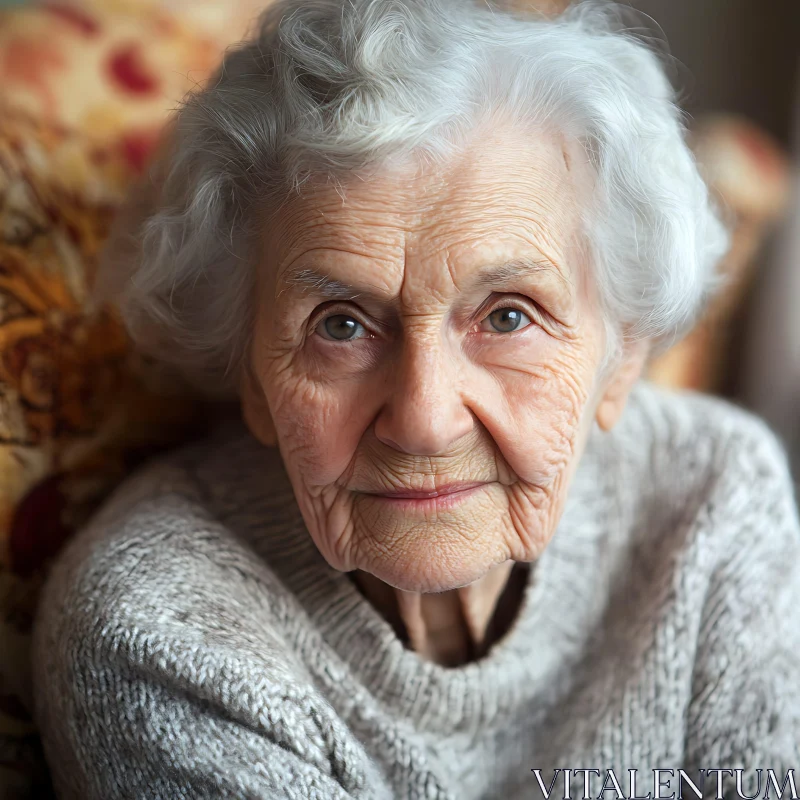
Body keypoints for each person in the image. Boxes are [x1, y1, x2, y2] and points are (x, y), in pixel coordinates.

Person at [32, 0, 800, 797]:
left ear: (620, 359)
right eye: (341, 326)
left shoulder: (710, 498)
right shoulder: (162, 638)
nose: (425, 422)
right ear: (252, 377)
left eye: (508, 316)